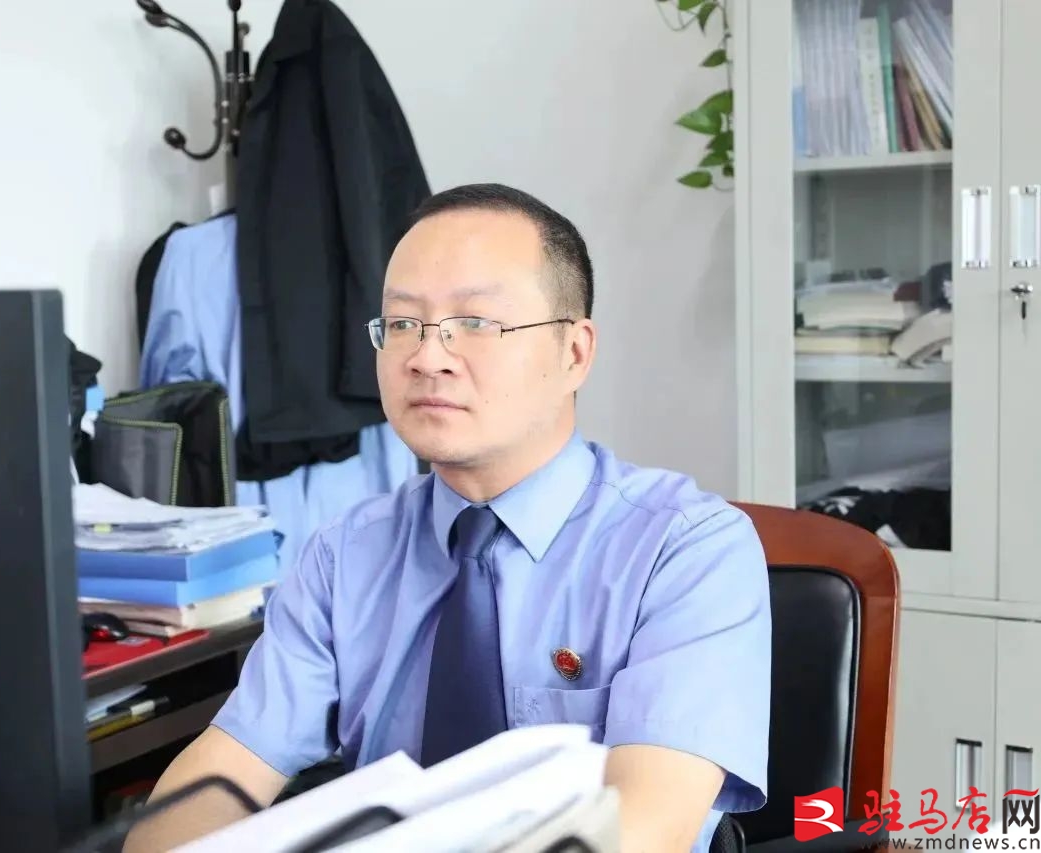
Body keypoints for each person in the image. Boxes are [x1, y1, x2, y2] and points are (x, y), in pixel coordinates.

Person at [125, 183, 771, 853]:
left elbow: (642, 834)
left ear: (574, 353)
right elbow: (219, 780)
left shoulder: (686, 549)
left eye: (476, 323)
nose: (427, 357)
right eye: (402, 324)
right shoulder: (344, 556)